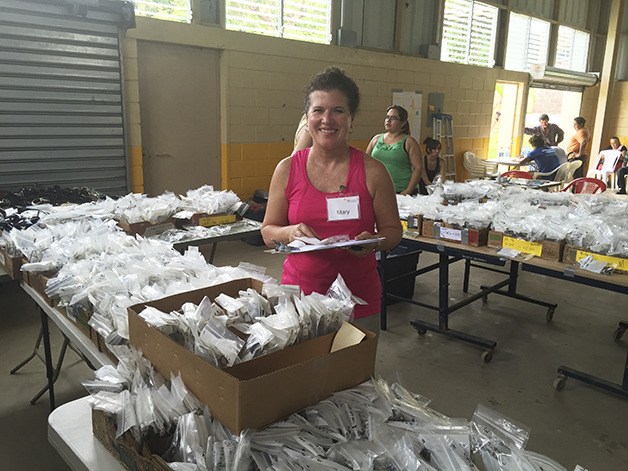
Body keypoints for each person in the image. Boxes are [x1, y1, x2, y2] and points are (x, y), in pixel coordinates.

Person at [261, 67, 403, 321]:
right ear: (307, 117)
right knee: (303, 362)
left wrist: (374, 241)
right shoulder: (286, 169)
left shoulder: (373, 172)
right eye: (318, 110)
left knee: (354, 361)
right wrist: (289, 232)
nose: (327, 119)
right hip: (300, 300)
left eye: (338, 110)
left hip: (358, 301)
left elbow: (393, 231)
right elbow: (268, 231)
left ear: (351, 118)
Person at [365, 105, 423, 195]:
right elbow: (365, 162)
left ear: (403, 123)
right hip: (378, 190)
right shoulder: (376, 139)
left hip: (402, 191)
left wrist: (408, 190)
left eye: (393, 118)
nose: (388, 120)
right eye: (387, 117)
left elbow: (418, 168)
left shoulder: (409, 141)